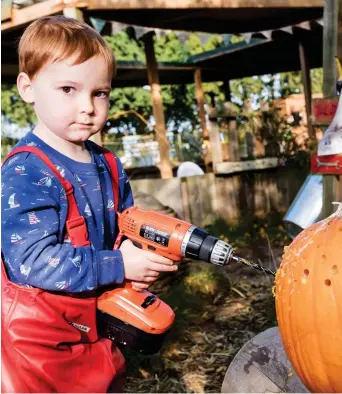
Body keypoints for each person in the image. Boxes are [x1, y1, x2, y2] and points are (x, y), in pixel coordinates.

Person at [1, 15, 178, 393]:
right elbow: (32, 262)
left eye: (100, 93)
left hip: (97, 331)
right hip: (42, 348)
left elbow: (124, 230)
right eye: (68, 89)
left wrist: (139, 257)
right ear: (27, 88)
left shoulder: (107, 164)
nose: (88, 106)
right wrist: (118, 264)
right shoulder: (26, 171)